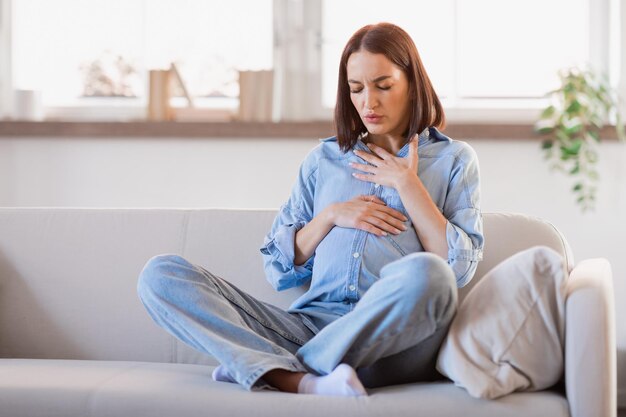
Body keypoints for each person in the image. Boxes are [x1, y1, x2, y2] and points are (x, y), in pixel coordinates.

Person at [137, 22, 484, 397]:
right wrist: (330, 216)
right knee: (160, 274)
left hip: (393, 344)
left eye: (383, 85)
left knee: (430, 275)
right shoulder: (323, 160)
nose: (369, 102)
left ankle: (264, 365)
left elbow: (457, 269)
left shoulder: (453, 159)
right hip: (310, 325)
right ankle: (302, 379)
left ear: (413, 82)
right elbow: (277, 267)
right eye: (356, 89)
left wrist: (407, 184)